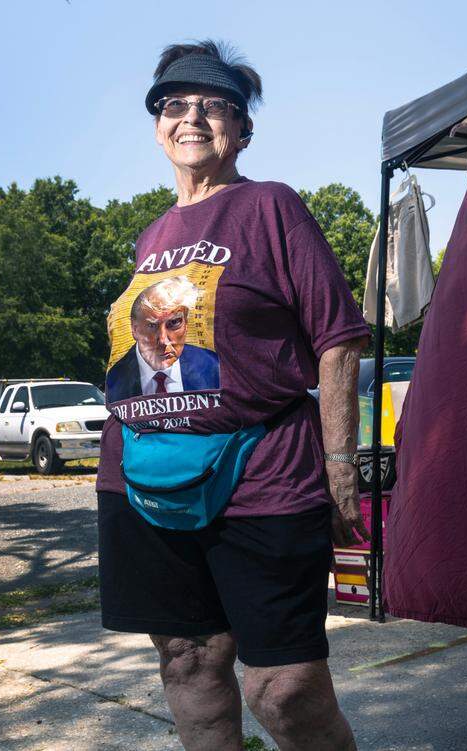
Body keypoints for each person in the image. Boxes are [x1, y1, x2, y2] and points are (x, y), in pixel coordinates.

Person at [95, 40, 370, 751]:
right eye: (173, 104)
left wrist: (340, 464)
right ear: (158, 126)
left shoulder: (270, 206)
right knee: (187, 661)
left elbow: (338, 337)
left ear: (242, 129)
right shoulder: (150, 235)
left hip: (263, 478)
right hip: (143, 482)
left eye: (214, 105)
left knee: (284, 688)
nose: (192, 117)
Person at [105, 276, 220, 401]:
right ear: (135, 329)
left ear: (186, 323)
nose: (163, 340)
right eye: (152, 326)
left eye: (174, 322)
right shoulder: (116, 377)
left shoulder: (214, 368)